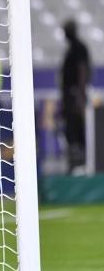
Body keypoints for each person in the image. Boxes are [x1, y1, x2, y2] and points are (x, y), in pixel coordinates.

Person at [60, 20, 91, 173]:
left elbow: (82, 71)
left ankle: (81, 164)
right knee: (70, 131)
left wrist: (80, 96)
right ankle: (75, 163)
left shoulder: (78, 48)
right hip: (69, 97)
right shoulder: (72, 48)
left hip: (74, 96)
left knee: (77, 130)